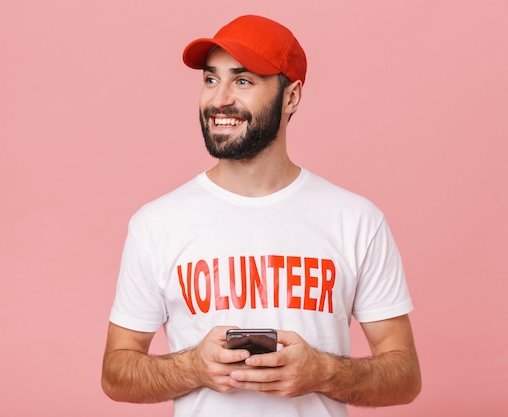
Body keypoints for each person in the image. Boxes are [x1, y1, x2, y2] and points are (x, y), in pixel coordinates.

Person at [101, 14, 421, 417]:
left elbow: (405, 375)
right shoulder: (156, 223)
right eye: (211, 79)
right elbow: (115, 372)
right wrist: (192, 367)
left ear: (291, 97)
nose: (219, 100)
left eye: (243, 80)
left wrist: (323, 372)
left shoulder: (356, 219)